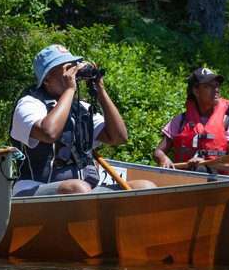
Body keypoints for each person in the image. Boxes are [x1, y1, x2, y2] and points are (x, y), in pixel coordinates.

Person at [10, 44, 155, 196]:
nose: (74, 73)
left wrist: (100, 90)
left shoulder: (80, 108)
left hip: (84, 190)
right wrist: (69, 89)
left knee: (145, 187)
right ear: (47, 78)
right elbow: (49, 133)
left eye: (75, 67)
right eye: (67, 69)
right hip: (34, 188)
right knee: (78, 189)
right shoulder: (29, 104)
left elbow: (119, 137)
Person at [153, 67, 229, 171]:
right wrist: (163, 158)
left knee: (202, 169)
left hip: (217, 182)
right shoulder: (180, 121)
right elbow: (158, 152)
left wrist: (207, 163)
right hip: (185, 180)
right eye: (208, 86)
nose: (216, 89)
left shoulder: (227, 122)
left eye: (217, 85)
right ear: (196, 91)